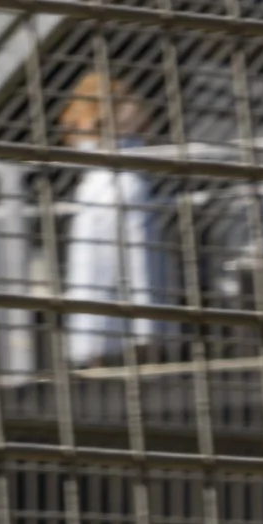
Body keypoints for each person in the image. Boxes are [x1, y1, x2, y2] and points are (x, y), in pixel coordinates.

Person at [59, 71, 169, 367]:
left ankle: (127, 345)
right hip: (115, 194)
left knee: (117, 272)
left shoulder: (96, 123)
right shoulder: (99, 121)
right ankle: (137, 343)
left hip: (104, 196)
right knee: (131, 269)